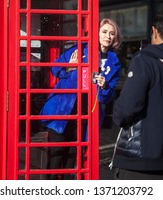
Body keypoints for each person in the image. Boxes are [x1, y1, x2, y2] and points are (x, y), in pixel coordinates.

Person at [40, 18, 122, 179]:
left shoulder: (114, 63)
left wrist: (104, 86)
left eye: (112, 33)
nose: (108, 36)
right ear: (96, 34)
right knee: (55, 160)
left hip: (86, 117)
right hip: (62, 112)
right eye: (104, 32)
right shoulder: (80, 49)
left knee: (71, 162)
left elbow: (107, 98)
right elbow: (54, 68)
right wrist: (70, 66)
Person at [110, 14, 163, 180]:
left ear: (154, 31)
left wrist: (116, 116)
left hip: (141, 160)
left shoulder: (145, 61)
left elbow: (127, 107)